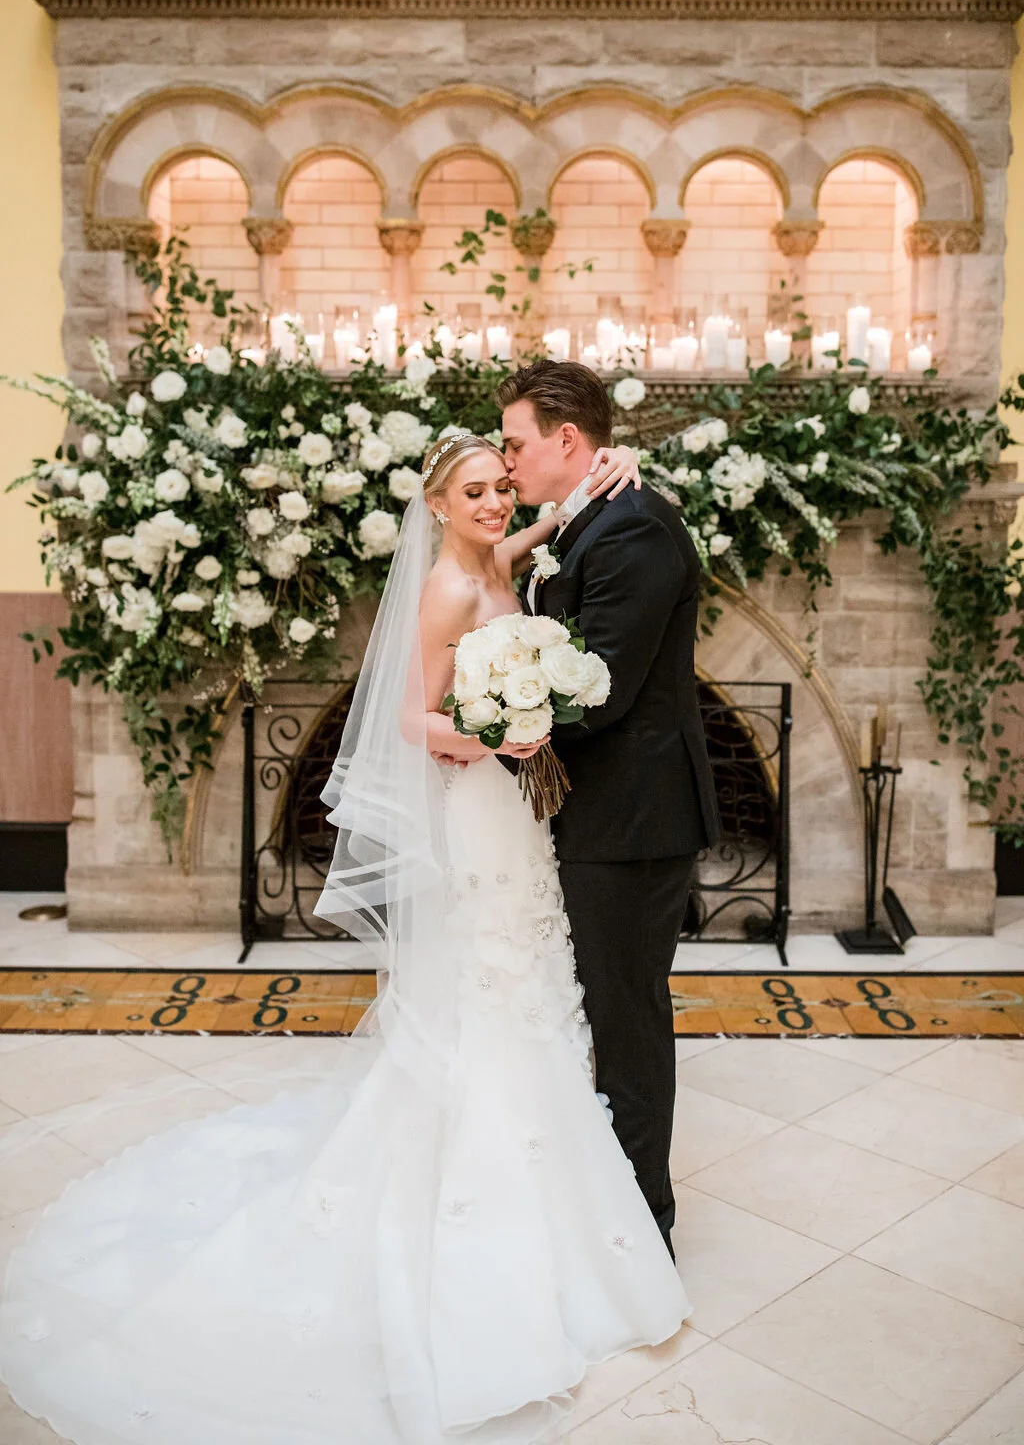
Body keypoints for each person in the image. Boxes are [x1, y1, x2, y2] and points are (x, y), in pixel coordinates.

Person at [0, 428, 692, 1445]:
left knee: (539, 989)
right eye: (477, 493)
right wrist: (500, 733)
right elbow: (416, 720)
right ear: (438, 507)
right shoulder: (448, 594)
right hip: (477, 804)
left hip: (516, 819)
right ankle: (476, 1205)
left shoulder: (498, 559)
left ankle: (560, 1203)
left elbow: (557, 523)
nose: (498, 504)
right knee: (486, 995)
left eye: (503, 487)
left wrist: (604, 470)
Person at [496, 360, 721, 1258]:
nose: (508, 462)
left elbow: (604, 692)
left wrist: (493, 728)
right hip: (599, 817)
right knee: (604, 1008)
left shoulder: (631, 532)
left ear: (566, 440)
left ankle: (642, 1224)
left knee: (627, 1020)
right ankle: (609, 1198)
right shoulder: (590, 516)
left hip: (632, 821)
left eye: (515, 444)